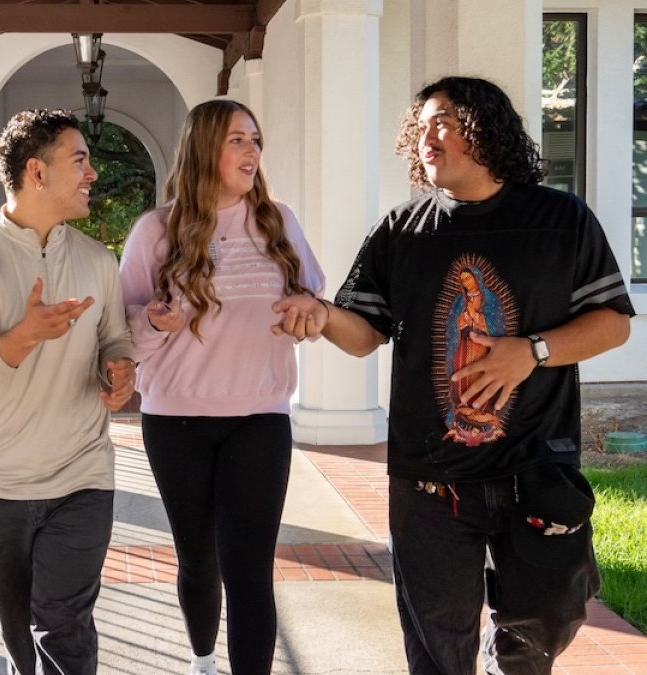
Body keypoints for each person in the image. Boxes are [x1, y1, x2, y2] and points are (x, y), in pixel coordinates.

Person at [272, 76, 634, 673]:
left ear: (484, 127)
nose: (424, 137)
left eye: (439, 121)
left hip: (535, 472)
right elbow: (364, 334)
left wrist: (532, 350)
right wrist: (322, 315)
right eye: (419, 126)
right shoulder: (401, 229)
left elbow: (613, 324)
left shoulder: (559, 219)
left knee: (538, 636)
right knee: (437, 654)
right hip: (429, 487)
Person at [119, 99, 325, 675]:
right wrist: (156, 323)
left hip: (261, 417)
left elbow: (316, 304)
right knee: (199, 561)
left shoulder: (278, 222)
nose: (252, 151)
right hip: (174, 420)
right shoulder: (154, 231)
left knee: (249, 568)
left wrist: (307, 312)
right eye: (237, 139)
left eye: (255, 139)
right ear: (205, 147)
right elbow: (124, 338)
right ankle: (203, 659)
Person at [0, 109, 136, 675]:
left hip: (81, 476)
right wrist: (21, 338)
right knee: (19, 631)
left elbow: (114, 337)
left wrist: (118, 369)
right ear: (36, 172)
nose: (92, 173)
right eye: (80, 160)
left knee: (64, 624)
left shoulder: (98, 260)